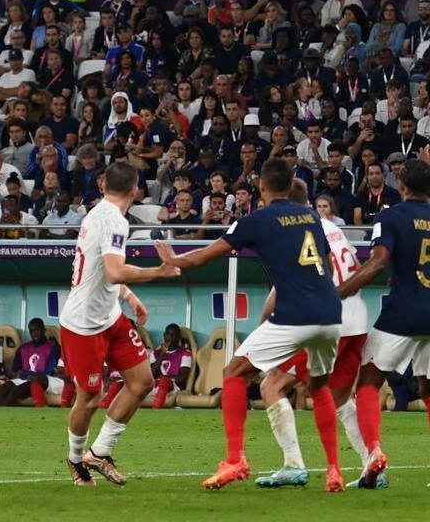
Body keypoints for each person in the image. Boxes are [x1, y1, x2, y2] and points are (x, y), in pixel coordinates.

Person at [154, 158, 345, 492]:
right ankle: (334, 471)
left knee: (233, 374)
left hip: (295, 313)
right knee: (319, 386)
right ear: (290, 186)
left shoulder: (257, 220)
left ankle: (235, 459)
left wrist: (173, 260)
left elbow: (204, 256)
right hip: (330, 312)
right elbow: (326, 264)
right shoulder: (312, 217)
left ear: (261, 187)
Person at [339, 161, 430, 489]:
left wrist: (338, 293)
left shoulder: (390, 217)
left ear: (401, 186)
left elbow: (379, 261)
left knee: (368, 382)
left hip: (403, 312)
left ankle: (373, 454)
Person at [59, 161, 180, 487]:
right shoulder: (114, 220)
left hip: (110, 316)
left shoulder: (97, 213)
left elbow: (103, 270)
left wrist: (128, 296)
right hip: (83, 324)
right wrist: (159, 272)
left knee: (142, 382)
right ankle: (75, 459)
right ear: (135, 189)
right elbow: (113, 270)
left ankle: (100, 451)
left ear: (103, 186)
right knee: (89, 397)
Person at [254, 178, 371, 486]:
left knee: (272, 386)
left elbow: (283, 286)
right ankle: (372, 463)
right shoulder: (333, 227)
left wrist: (263, 325)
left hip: (324, 320)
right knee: (341, 398)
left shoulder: (294, 229)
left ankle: (293, 464)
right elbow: (355, 265)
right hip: (357, 320)